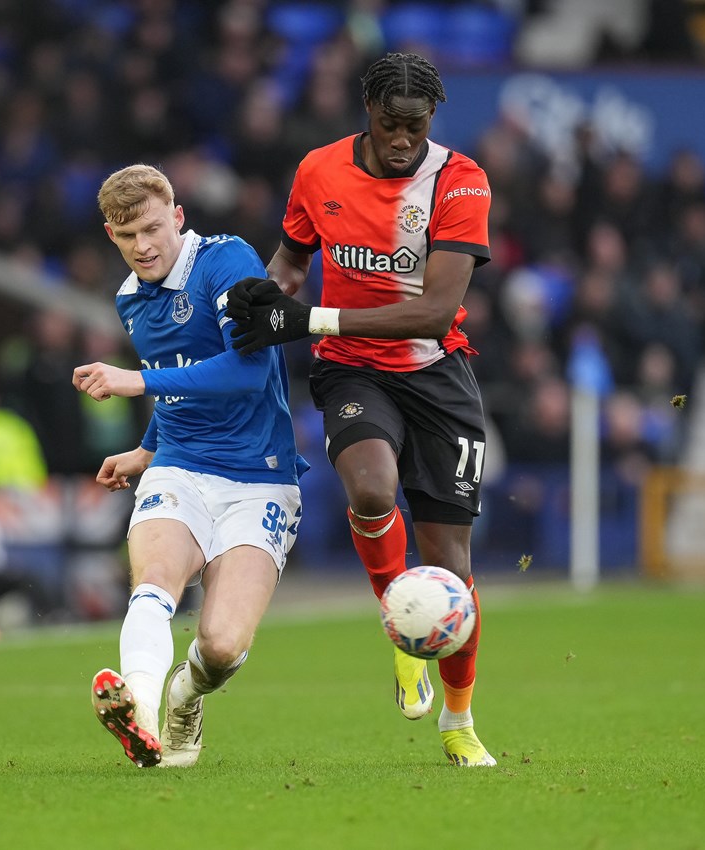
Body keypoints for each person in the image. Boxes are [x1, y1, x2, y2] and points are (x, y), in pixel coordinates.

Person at [227, 53, 495, 767]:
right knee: (372, 490)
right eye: (390, 123)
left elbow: (435, 312)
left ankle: (460, 722)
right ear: (366, 113)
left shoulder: (460, 180)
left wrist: (304, 319)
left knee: (449, 563)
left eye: (417, 124)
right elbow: (290, 261)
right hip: (353, 372)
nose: (404, 137)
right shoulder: (319, 171)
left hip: (439, 375)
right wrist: (264, 293)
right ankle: (399, 636)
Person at [73, 164, 306, 768]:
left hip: (260, 475)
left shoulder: (227, 262)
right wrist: (149, 449)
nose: (143, 247)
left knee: (222, 646)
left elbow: (248, 370)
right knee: (154, 585)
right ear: (111, 236)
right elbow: (183, 384)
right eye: (127, 238)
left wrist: (134, 381)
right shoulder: (130, 298)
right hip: (179, 467)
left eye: (152, 229)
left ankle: (183, 696)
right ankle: (140, 714)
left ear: (177, 217)